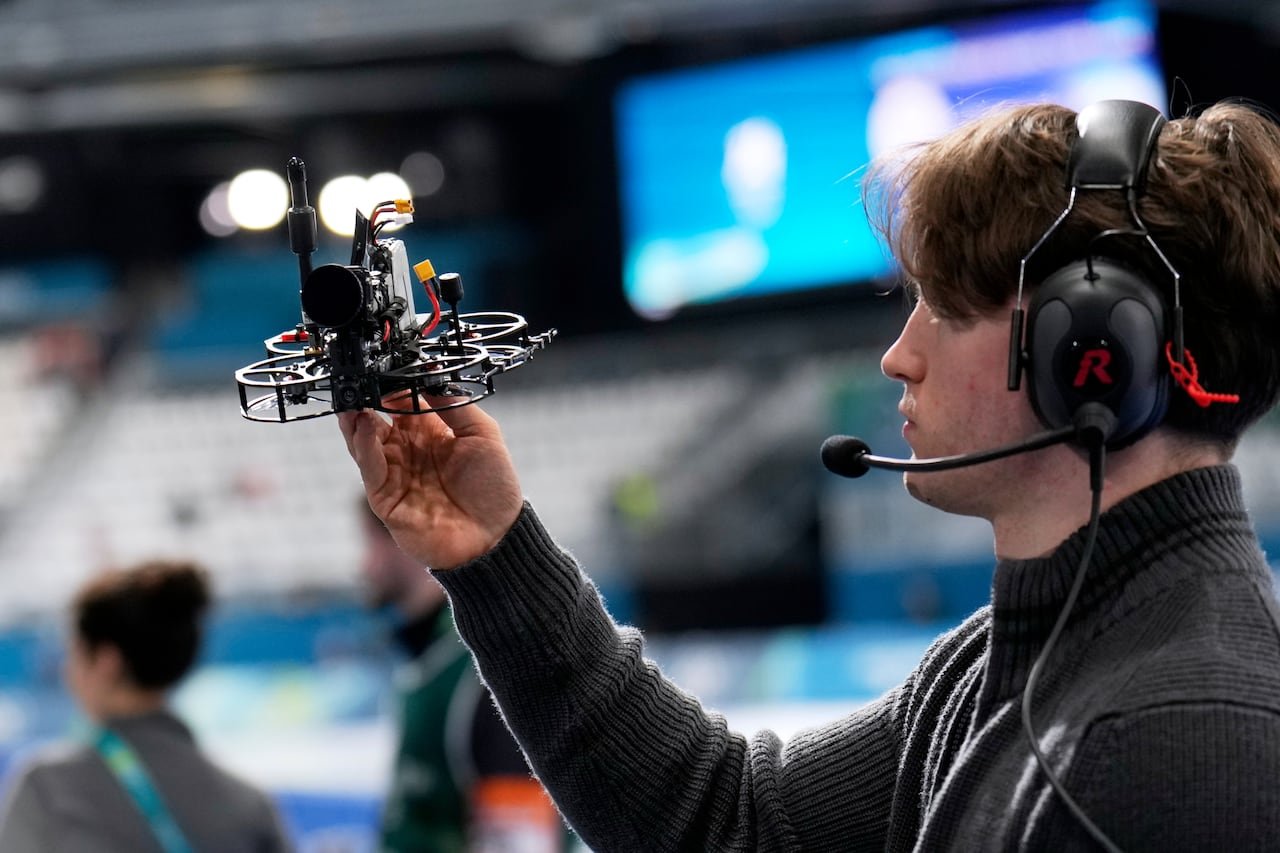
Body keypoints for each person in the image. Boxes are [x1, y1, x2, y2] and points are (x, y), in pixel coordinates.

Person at [338, 98, 1280, 851]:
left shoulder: (1182, 742)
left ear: (1088, 355)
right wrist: (497, 551)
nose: (897, 357)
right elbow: (725, 819)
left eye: (942, 309)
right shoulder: (995, 663)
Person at [0, 559, 291, 852]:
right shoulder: (249, 805)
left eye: (73, 654)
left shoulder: (50, 790)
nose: (67, 672)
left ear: (105, 662)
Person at [357, 499, 566, 852]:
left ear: (404, 540)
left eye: (369, 544)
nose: (363, 566)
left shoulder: (481, 672)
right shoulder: (430, 664)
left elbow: (523, 843)